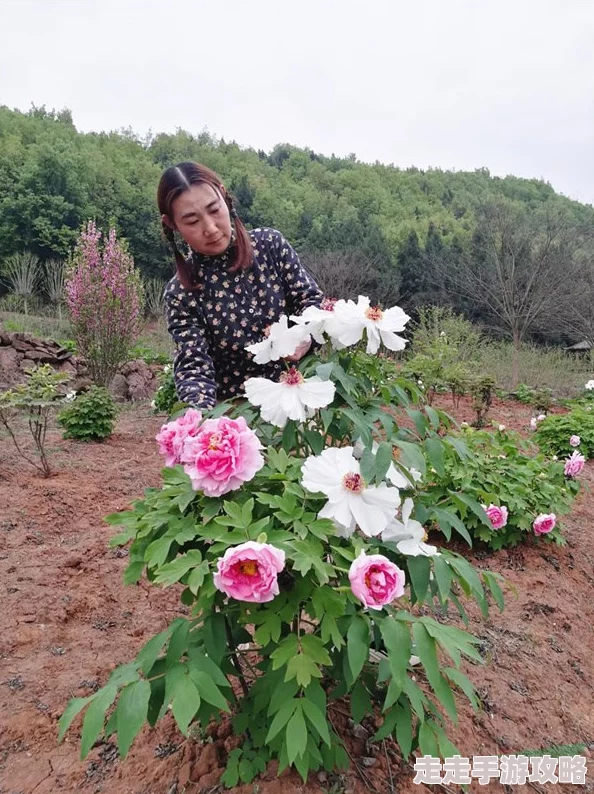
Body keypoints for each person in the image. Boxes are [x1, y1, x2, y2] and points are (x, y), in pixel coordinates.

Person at [158, 162, 324, 410]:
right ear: (172, 224)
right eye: (192, 221)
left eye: (214, 210)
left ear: (224, 197)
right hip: (236, 417)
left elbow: (311, 303)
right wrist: (197, 421)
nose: (211, 229)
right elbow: (194, 368)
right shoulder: (181, 293)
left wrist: (306, 337)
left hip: (297, 400)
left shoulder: (270, 245)